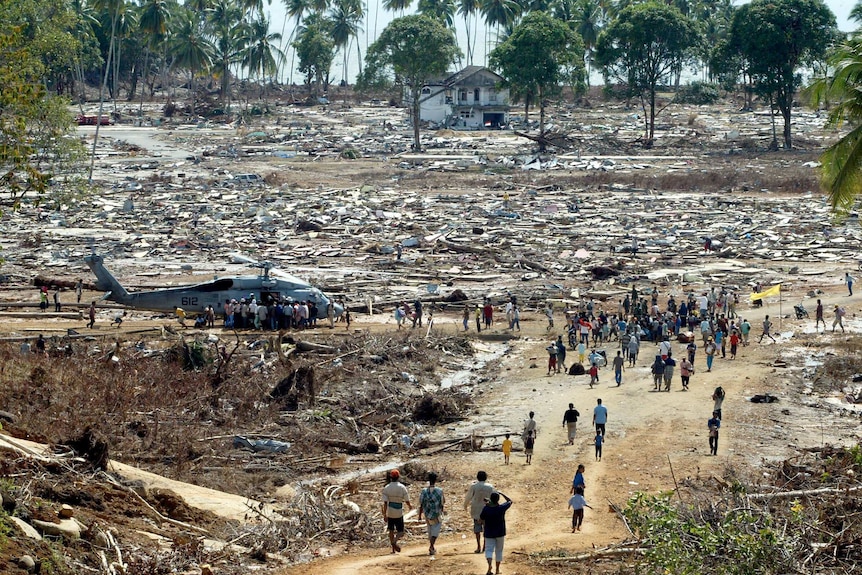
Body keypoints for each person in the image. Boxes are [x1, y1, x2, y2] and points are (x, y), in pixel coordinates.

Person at [480, 491, 513, 575]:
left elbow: (481, 519)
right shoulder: (501, 508)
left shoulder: (486, 509)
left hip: (489, 533)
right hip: (500, 532)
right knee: (499, 551)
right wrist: (502, 493)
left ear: (490, 499)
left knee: (489, 550)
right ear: (498, 499)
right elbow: (510, 501)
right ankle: (497, 569)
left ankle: (489, 566)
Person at [381, 469, 412, 553]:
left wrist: (384, 514)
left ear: (390, 477)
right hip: (398, 511)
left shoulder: (387, 488)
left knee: (391, 530)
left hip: (390, 512)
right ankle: (394, 541)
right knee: (401, 531)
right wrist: (409, 506)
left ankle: (393, 549)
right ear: (398, 477)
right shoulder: (402, 487)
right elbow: (406, 499)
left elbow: (385, 503)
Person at [465, 471, 495, 554]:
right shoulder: (490, 487)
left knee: (477, 529)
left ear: (477, 477)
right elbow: (494, 497)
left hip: (476, 510)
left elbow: (468, 497)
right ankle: (485, 546)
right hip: (487, 510)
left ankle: (478, 546)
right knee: (486, 529)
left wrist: (465, 506)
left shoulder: (474, 486)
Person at [418, 472, 445, 556]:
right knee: (435, 531)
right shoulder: (439, 491)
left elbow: (421, 503)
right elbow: (442, 502)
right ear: (435, 480)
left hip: (427, 513)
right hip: (436, 513)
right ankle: (431, 546)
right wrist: (442, 511)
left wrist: (419, 515)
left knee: (430, 531)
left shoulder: (424, 491)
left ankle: (432, 548)